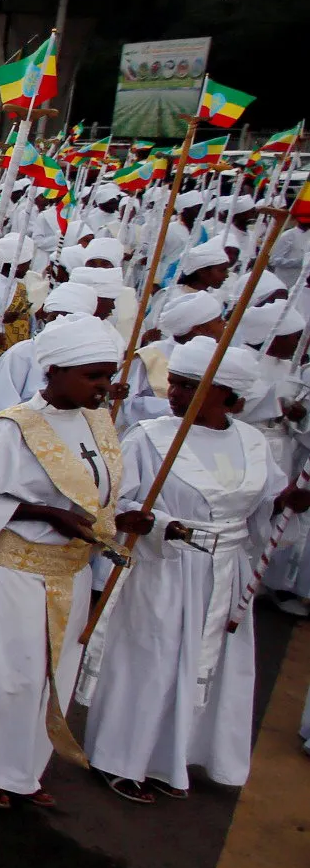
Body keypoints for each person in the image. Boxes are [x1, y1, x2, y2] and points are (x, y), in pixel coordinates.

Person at [84, 339, 310, 801]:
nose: (176, 393)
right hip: (164, 569)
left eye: (192, 387)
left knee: (206, 668)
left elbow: (261, 510)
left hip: (225, 573)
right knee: (151, 662)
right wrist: (155, 524)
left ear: (231, 398)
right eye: (179, 383)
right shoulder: (150, 437)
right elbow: (117, 502)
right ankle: (120, 758)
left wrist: (287, 504)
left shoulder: (252, 442)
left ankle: (173, 759)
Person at [0, 315, 121, 809]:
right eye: (93, 376)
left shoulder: (98, 424)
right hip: (16, 571)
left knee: (51, 676)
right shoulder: (11, 429)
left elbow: (104, 492)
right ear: (54, 372)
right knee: (9, 674)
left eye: (108, 375)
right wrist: (39, 511)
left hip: (70, 572)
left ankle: (25, 770)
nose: (104, 387)